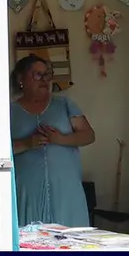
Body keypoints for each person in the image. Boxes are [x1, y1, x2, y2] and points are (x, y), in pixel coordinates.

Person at [9, 54, 94, 227]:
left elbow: (88, 135)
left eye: (47, 75)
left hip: (66, 192)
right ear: (21, 79)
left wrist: (60, 139)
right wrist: (27, 144)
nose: (44, 80)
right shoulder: (8, 111)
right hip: (27, 193)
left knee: (72, 245)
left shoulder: (63, 105)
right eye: (37, 75)